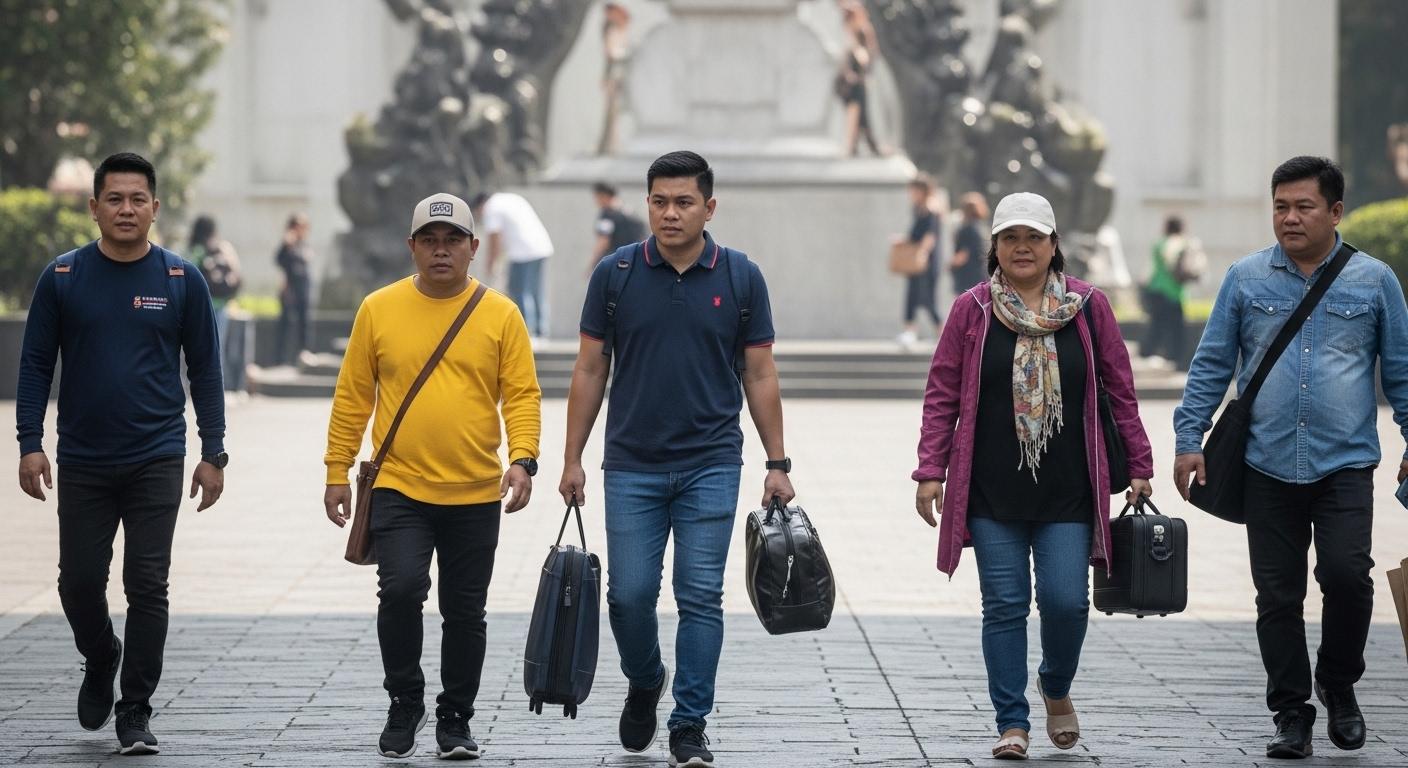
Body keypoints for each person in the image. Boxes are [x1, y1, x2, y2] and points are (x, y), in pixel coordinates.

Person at [559, 151, 796, 768]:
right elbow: (589, 368)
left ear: (709, 207)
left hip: (711, 462)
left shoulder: (741, 278)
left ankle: (689, 723)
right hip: (631, 464)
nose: (670, 213)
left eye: (683, 202)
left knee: (700, 597)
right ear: (647, 205)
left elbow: (761, 373)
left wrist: (778, 463)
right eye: (659, 201)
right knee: (629, 596)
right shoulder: (615, 275)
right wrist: (571, 458)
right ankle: (645, 679)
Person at [1173, 156, 1408, 760]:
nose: (1290, 218)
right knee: (1276, 596)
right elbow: (1211, 365)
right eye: (1281, 206)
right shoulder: (1246, 278)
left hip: (1346, 464)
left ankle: (1339, 683)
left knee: (1349, 578)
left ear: (1335, 212)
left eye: (1304, 207)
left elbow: (1403, 374)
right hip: (1265, 465)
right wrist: (1188, 439)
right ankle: (1291, 711)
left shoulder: (1375, 281)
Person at [912, 191, 1153, 760]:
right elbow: (941, 393)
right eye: (1011, 238)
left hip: (1070, 489)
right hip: (992, 492)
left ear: (1053, 246)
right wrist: (930, 469)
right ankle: (1011, 722)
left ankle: (1056, 686)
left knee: (1068, 603)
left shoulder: (1089, 308)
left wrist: (1140, 464)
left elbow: (1121, 390)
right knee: (1004, 605)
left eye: (1034, 238)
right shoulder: (971, 310)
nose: (1023, 248)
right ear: (994, 247)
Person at [15, 152, 227, 755]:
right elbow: (34, 367)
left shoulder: (181, 280)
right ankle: (101, 653)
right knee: (78, 583)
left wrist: (215, 452)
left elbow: (206, 371)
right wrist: (31, 444)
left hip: (157, 455)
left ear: (155, 209)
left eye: (138, 199)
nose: (126, 209)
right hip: (81, 457)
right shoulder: (62, 277)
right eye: (115, 199)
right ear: (94, 208)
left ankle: (135, 708)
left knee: (147, 583)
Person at [323, 192, 541, 759]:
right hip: (399, 486)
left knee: (465, 610)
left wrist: (523, 457)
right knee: (398, 591)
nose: (440, 251)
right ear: (412, 246)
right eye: (429, 240)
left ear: (473, 248)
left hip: (475, 490)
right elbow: (352, 398)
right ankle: (405, 700)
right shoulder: (378, 308)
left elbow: (521, 395)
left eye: (452, 241)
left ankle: (455, 718)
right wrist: (336, 470)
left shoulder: (501, 314)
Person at [471, 191, 554, 341]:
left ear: (480, 205)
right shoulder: (509, 199)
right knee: (536, 291)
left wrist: (490, 264)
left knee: (520, 291)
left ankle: (527, 331)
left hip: (523, 252)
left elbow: (494, 240)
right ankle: (541, 331)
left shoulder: (491, 208)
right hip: (541, 247)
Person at [188, 215, 243, 383]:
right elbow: (236, 272)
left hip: (201, 306)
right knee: (218, 345)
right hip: (221, 304)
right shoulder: (222, 248)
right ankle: (217, 383)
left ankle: (202, 382)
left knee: (200, 347)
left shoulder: (195, 251)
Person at [1140, 215, 1198, 370]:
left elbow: (1151, 269)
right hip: (1173, 292)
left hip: (1156, 289)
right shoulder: (1180, 242)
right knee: (1176, 328)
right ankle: (1177, 360)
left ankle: (1147, 353)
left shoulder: (1159, 243)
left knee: (1157, 325)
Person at [897, 174, 943, 349]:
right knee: (912, 296)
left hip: (926, 262)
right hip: (916, 261)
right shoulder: (918, 209)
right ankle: (909, 330)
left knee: (927, 299)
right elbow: (916, 235)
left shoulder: (931, 210)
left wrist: (922, 254)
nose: (911, 194)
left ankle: (943, 333)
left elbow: (930, 237)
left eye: (914, 190)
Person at [835, 2, 883, 157]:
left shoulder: (864, 32)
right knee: (857, 114)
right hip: (852, 82)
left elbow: (869, 56)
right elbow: (846, 58)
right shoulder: (850, 33)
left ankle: (858, 145)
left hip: (859, 81)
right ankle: (861, 145)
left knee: (859, 114)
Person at [274, 212, 314, 365]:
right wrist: (287, 244)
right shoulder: (287, 244)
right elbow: (280, 261)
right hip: (290, 289)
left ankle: (304, 352)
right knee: (286, 323)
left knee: (304, 321)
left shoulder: (303, 245)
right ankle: (281, 358)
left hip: (303, 288)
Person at [596, 2, 631, 156]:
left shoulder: (619, 28)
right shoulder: (610, 28)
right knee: (611, 113)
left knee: (614, 113)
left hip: (618, 74)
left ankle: (611, 146)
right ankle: (608, 147)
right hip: (614, 75)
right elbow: (611, 54)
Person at [590, 180, 646, 273]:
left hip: (617, 264)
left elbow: (603, 241)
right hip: (637, 262)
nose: (596, 201)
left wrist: (592, 265)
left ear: (604, 196)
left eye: (597, 197)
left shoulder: (608, 214)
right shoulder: (628, 211)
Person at [951, 191, 990, 296]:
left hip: (967, 277)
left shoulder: (966, 229)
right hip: (980, 275)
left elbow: (963, 255)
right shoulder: (981, 227)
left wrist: (950, 265)